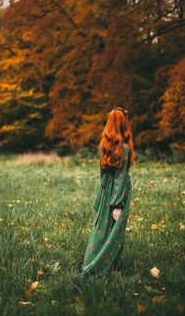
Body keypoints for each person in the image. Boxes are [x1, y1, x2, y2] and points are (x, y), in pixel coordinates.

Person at [77, 107, 136, 281]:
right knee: (114, 231)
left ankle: (97, 262)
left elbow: (103, 173)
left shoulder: (104, 145)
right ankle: (97, 267)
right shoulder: (124, 148)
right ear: (124, 124)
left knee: (101, 228)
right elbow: (119, 177)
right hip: (117, 193)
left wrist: (104, 192)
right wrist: (117, 204)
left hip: (105, 190)